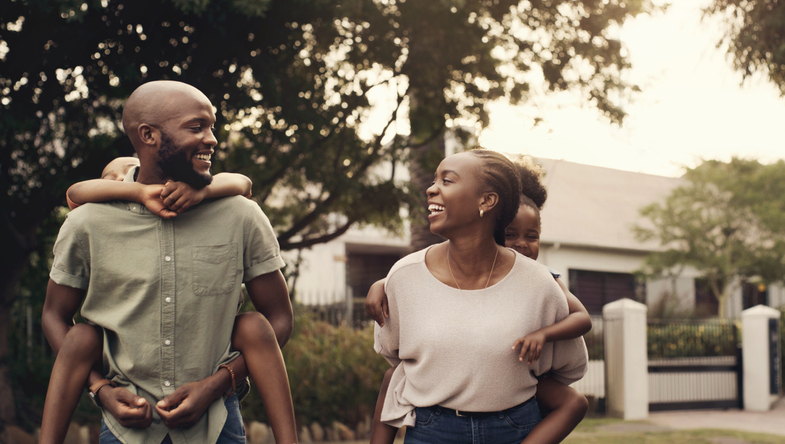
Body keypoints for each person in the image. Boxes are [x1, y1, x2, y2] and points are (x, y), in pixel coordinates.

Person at [41, 80, 298, 444]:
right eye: (197, 127)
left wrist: (217, 384)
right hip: (125, 432)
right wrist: (100, 388)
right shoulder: (86, 224)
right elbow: (54, 316)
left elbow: (278, 321)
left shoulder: (241, 216)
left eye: (212, 127)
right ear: (149, 135)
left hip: (218, 428)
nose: (212, 139)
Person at [366, 155, 591, 444]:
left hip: (515, 429)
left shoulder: (540, 284)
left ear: (486, 201)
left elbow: (568, 367)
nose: (431, 189)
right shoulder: (403, 277)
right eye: (434, 180)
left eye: (446, 181)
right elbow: (395, 360)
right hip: (432, 431)